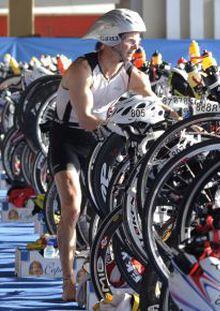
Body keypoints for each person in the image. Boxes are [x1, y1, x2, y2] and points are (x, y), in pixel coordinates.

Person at [48, 8, 156, 301]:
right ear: (111, 39)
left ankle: (102, 267)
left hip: (103, 142)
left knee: (107, 209)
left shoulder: (132, 74)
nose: (138, 46)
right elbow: (84, 118)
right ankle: (68, 280)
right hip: (68, 138)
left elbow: (158, 108)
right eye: (131, 40)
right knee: (71, 205)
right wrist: (117, 124)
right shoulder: (81, 68)